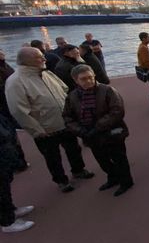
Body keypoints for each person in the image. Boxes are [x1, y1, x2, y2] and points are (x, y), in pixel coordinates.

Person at [6, 47, 94, 192]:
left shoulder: (46, 73)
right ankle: (61, 181)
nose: (44, 59)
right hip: (45, 130)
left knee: (74, 148)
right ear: (27, 61)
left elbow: (63, 89)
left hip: (64, 122)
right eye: (40, 57)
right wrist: (37, 130)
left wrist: (71, 114)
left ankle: (78, 170)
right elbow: (18, 111)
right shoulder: (15, 82)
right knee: (52, 157)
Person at [63, 65, 134, 196]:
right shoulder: (72, 97)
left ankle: (126, 181)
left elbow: (117, 111)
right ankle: (112, 177)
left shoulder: (107, 90)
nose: (88, 81)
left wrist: (97, 127)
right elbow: (68, 117)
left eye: (90, 77)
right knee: (102, 160)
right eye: (83, 79)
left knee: (119, 159)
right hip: (90, 136)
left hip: (112, 133)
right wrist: (81, 131)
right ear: (75, 80)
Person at [0, 113, 35, 233]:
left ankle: (11, 210)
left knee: (5, 183)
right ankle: (7, 222)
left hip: (4, 149)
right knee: (1, 189)